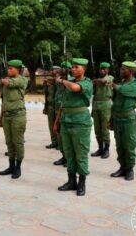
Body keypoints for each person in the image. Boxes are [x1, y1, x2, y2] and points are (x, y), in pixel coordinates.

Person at [54, 58, 93, 196]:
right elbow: (63, 104)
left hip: (80, 122)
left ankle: (82, 183)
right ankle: (71, 181)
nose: (73, 69)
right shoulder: (69, 82)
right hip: (66, 121)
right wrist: (57, 121)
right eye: (73, 67)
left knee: (80, 154)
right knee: (69, 154)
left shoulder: (87, 82)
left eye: (77, 67)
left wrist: (62, 81)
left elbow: (76, 88)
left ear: (84, 69)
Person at [110, 62, 136, 181]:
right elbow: (115, 103)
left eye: (123, 69)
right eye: (121, 69)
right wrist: (111, 119)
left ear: (131, 71)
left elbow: (123, 90)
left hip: (128, 120)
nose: (120, 71)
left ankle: (130, 169)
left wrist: (111, 83)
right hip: (118, 118)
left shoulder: (135, 84)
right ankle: (122, 167)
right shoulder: (121, 83)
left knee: (129, 145)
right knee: (120, 145)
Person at [0, 60, 28, 179]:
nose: (8, 70)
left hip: (18, 115)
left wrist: (2, 80)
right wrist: (0, 117)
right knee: (9, 142)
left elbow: (7, 82)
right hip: (7, 115)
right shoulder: (7, 84)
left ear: (18, 69)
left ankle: (18, 167)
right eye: (8, 68)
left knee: (18, 142)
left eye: (11, 68)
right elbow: (3, 102)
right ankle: (11, 166)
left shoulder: (22, 79)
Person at [91, 62, 113, 159]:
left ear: (108, 70)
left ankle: (106, 149)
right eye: (101, 69)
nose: (103, 70)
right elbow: (94, 94)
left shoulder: (110, 78)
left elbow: (104, 81)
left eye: (105, 69)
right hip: (96, 104)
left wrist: (95, 80)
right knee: (97, 129)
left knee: (105, 129)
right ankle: (100, 148)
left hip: (105, 104)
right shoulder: (97, 80)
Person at [53, 62, 72, 166]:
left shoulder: (70, 79)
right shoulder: (59, 78)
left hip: (66, 109)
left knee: (66, 136)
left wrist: (61, 79)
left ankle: (69, 158)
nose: (60, 69)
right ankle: (64, 156)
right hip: (58, 107)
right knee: (59, 134)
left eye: (63, 68)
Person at [43, 66, 59, 150]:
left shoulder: (58, 81)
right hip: (50, 106)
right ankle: (54, 142)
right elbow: (46, 94)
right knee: (51, 125)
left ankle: (60, 143)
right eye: (52, 70)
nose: (53, 71)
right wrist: (45, 106)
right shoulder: (48, 81)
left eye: (55, 70)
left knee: (58, 125)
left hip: (57, 106)